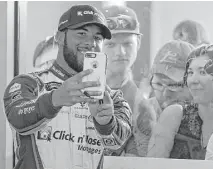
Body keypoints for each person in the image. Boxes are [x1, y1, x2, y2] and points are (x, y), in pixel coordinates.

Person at [3, 5, 132, 169]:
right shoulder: (28, 83)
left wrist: (106, 122)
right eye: (81, 33)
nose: (90, 43)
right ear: (59, 37)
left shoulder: (111, 98)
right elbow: (17, 119)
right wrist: (54, 100)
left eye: (98, 38)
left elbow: (118, 143)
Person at [147, 43, 213, 159]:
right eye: (190, 73)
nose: (193, 80)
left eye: (202, 72)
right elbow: (153, 164)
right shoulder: (175, 114)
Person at [101, 5, 154, 157]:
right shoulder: (78, 93)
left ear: (138, 42)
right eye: (110, 45)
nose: (120, 52)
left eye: (127, 44)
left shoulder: (142, 108)